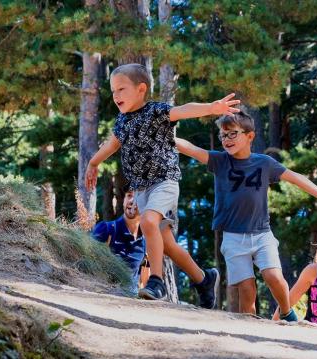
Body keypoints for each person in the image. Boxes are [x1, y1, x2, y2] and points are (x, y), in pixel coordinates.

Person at [85, 63, 240, 308]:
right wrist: (93, 163)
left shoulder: (156, 111)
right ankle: (204, 279)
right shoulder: (122, 122)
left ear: (141, 89)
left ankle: (156, 281)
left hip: (165, 182)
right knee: (167, 244)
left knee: (147, 222)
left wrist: (211, 108)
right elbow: (111, 145)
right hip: (142, 189)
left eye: (121, 90)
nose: (116, 96)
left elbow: (183, 110)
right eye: (113, 91)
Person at [175, 111, 317, 321]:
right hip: (233, 237)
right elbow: (192, 149)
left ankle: (286, 312)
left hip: (262, 234)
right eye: (223, 135)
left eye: (232, 134)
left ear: (249, 136)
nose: (226, 140)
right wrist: (163, 134)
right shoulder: (220, 161)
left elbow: (295, 178)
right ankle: (249, 329)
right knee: (247, 289)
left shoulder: (264, 163)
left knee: (273, 276)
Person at [92, 187, 148, 292]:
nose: (132, 200)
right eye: (129, 195)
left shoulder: (146, 242)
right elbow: (86, 262)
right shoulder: (106, 229)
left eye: (138, 197)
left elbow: (143, 283)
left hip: (131, 301)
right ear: (124, 201)